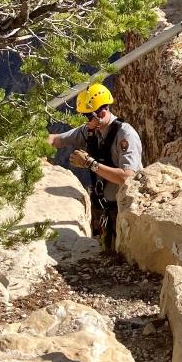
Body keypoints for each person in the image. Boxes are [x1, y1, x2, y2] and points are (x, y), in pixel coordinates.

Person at [47, 83, 143, 252]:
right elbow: (57, 140)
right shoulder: (91, 130)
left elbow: (127, 177)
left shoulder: (125, 135)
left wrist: (90, 163)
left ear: (102, 112)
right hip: (103, 205)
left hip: (125, 208)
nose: (86, 121)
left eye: (88, 116)